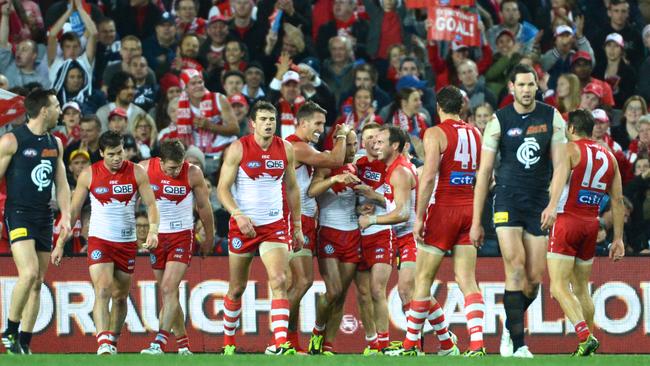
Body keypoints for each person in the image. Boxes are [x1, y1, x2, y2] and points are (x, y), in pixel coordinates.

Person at [470, 64, 567, 358]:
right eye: (521, 85)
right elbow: (485, 171)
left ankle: (509, 327)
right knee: (515, 266)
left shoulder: (552, 116)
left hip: (538, 202)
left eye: (530, 84)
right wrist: (476, 221)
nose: (526, 90)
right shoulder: (499, 120)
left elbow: (562, 164)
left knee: (535, 278)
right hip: (507, 200)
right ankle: (518, 342)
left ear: (537, 86)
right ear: (511, 87)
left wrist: (552, 204)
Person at [384, 86, 485, 357]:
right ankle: (477, 345)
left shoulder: (435, 133)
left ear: (439, 107)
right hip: (469, 208)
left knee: (423, 280)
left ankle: (409, 346)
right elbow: (487, 176)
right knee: (467, 279)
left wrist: (419, 217)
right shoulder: (476, 133)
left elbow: (428, 177)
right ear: (462, 107)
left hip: (444, 209)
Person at [216, 101, 304, 355]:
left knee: (279, 279)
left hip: (274, 226)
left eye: (272, 119)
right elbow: (222, 189)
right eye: (263, 119)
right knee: (237, 288)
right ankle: (228, 344)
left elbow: (292, 188)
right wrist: (238, 215)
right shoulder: (238, 148)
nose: (268, 123)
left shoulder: (285, 148)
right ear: (253, 123)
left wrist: (296, 225)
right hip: (243, 226)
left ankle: (280, 344)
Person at [69, 131, 159, 355]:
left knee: (120, 296)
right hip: (100, 239)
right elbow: (73, 211)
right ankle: (102, 342)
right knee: (103, 289)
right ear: (101, 154)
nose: (117, 158)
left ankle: (113, 339)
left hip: (126, 242)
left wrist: (153, 230)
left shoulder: (136, 171)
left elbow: (151, 204)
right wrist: (61, 242)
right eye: (112, 154)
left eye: (120, 152)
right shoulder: (89, 174)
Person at [543, 109, 625, 356]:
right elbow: (618, 201)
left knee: (558, 287)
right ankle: (588, 345)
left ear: (571, 129)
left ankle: (584, 336)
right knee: (580, 288)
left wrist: (551, 207)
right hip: (591, 224)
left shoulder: (570, 149)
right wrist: (618, 238)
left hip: (568, 221)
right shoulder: (610, 156)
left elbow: (558, 180)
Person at [0, 89, 70, 354]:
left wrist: (66, 215)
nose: (59, 110)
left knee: (38, 280)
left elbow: (61, 183)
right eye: (56, 105)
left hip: (44, 216)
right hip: (18, 213)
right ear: (44, 110)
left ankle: (24, 343)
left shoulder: (55, 143)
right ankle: (9, 331)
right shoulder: (11, 140)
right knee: (28, 273)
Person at [140, 139, 215, 355]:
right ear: (160, 162)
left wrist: (209, 236)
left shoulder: (192, 173)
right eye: (171, 167)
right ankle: (184, 346)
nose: (176, 171)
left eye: (179, 166)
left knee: (168, 288)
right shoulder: (145, 169)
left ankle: (159, 343)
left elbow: (204, 206)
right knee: (168, 294)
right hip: (157, 238)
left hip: (181, 235)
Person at [284, 101, 348, 352]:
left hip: (308, 220)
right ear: (302, 123)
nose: (322, 128)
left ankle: (289, 342)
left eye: (324, 124)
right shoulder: (296, 147)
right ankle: (280, 338)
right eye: (318, 123)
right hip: (294, 220)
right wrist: (341, 135)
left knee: (298, 284)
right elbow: (335, 159)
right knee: (302, 282)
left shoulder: (305, 146)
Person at [306, 130, 360, 355]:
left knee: (341, 295)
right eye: (349, 144)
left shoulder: (356, 167)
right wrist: (334, 179)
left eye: (355, 144)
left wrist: (363, 205)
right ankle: (318, 331)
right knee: (333, 290)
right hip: (329, 233)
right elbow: (312, 191)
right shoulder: (326, 164)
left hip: (353, 234)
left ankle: (328, 346)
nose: (353, 149)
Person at [353, 122, 393, 354]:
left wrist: (373, 196)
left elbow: (393, 198)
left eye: (375, 138)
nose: (371, 142)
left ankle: (385, 343)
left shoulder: (389, 165)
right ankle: (372, 342)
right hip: (357, 233)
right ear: (361, 141)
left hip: (380, 231)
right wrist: (357, 210)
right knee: (363, 293)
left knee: (378, 290)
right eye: (366, 138)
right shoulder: (355, 164)